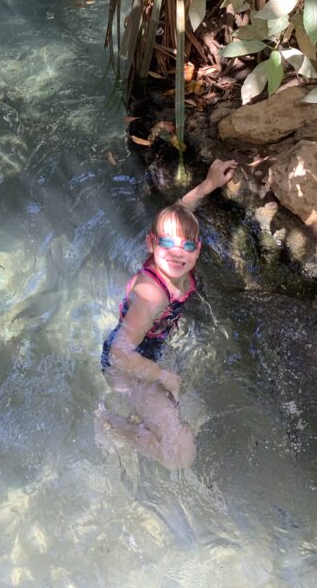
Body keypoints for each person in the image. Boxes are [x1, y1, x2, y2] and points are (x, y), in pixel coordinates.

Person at [99, 159, 238, 468]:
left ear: (197, 249)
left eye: (186, 245)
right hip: (126, 369)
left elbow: (179, 211)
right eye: (167, 243)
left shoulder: (174, 261)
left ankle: (135, 422)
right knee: (179, 455)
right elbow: (119, 353)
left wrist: (209, 185)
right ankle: (115, 427)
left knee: (180, 423)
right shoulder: (152, 294)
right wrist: (161, 375)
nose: (177, 251)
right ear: (151, 243)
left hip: (147, 353)